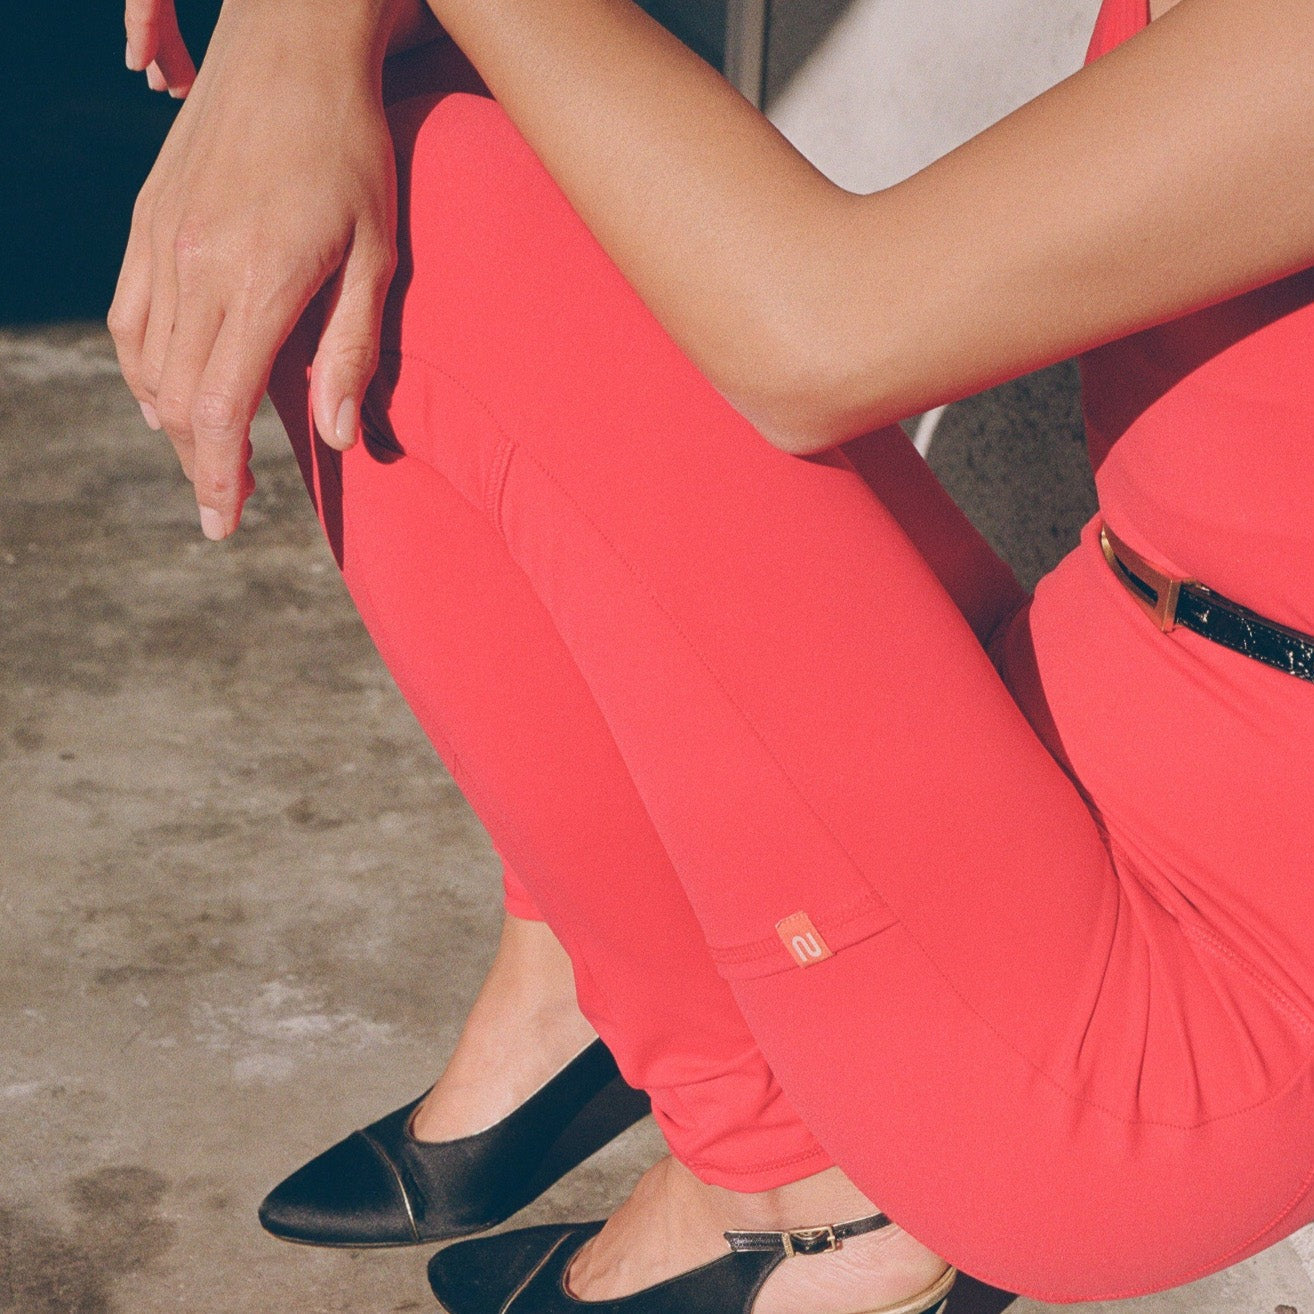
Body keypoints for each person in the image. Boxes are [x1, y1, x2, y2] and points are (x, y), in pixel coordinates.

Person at [110, 0, 1314, 1310]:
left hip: (1173, 1039)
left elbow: (817, 329)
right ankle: (609, 956)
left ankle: (789, 1167)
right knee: (392, 111)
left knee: (435, 207)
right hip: (1106, 689)